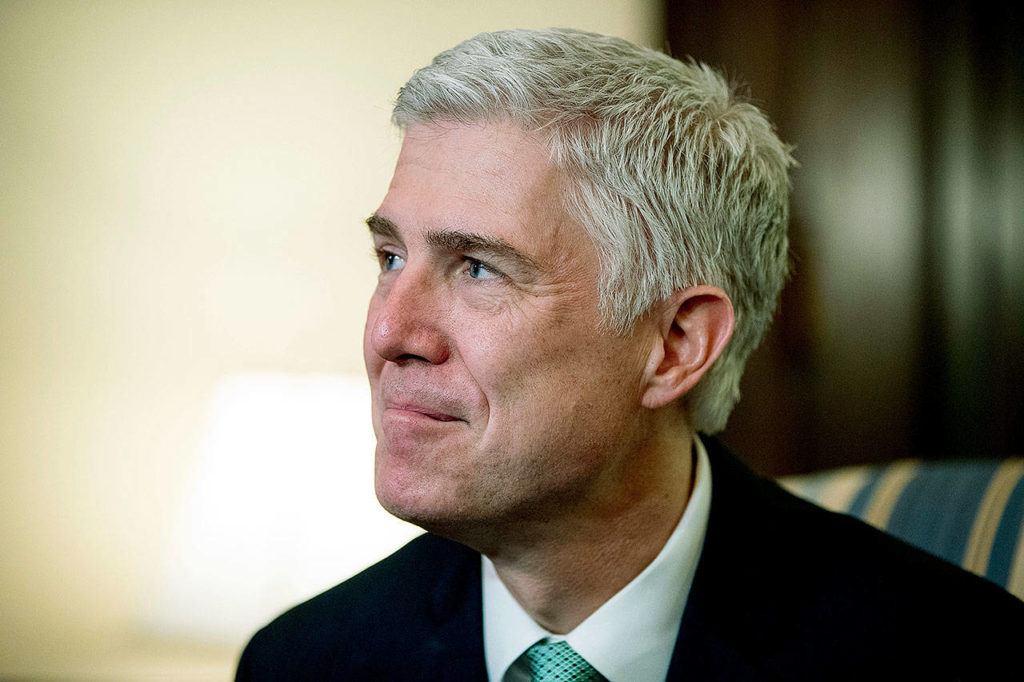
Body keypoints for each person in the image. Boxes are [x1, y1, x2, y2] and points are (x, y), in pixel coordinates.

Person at [237, 28, 1023, 681]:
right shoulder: (303, 662)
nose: (388, 334)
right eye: (390, 259)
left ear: (677, 344)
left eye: (477, 268)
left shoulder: (949, 655)